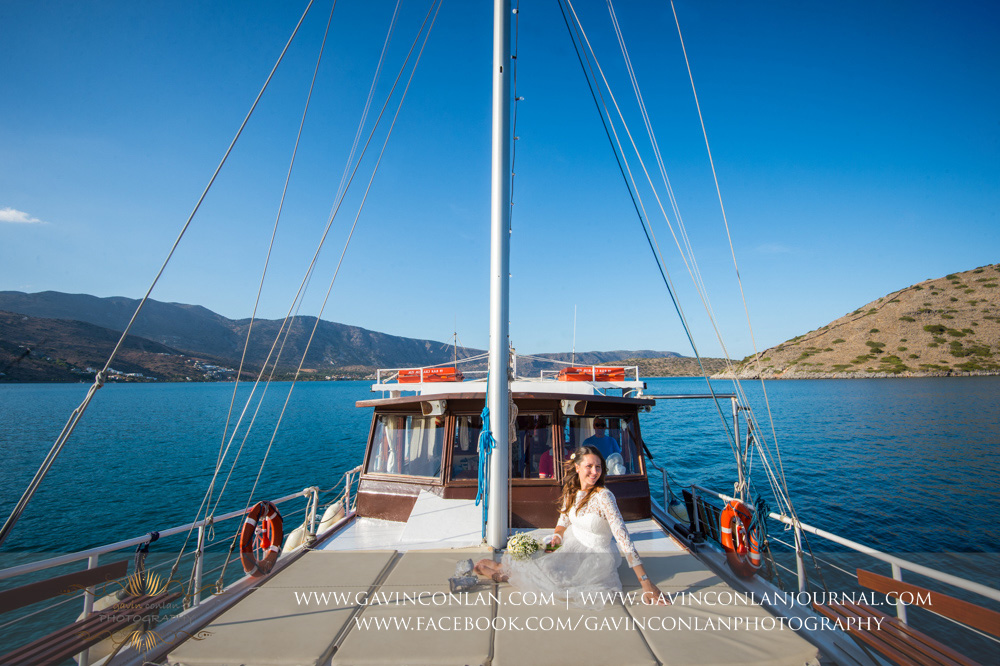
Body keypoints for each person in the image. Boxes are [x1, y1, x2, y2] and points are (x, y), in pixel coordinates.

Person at [474, 446, 668, 607]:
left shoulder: (604, 497)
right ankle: (502, 569)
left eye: (598, 467)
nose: (594, 472)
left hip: (595, 556)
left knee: (558, 584)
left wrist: (646, 583)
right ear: (577, 467)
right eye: (589, 466)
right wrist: (557, 536)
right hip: (568, 543)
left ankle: (503, 575)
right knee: (538, 562)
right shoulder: (573, 491)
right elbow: (563, 519)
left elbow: (623, 538)